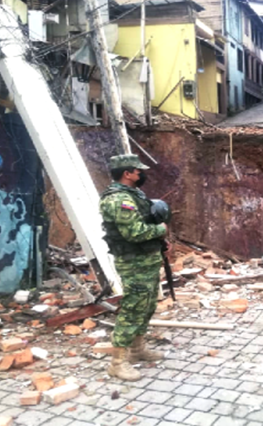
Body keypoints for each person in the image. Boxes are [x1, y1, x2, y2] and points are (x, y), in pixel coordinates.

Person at [99, 154, 168, 381]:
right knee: (132, 308)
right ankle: (117, 363)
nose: (142, 174)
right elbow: (135, 232)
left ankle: (138, 350)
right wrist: (161, 230)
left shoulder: (133, 195)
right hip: (133, 263)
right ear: (127, 174)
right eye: (138, 171)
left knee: (146, 306)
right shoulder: (119, 200)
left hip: (146, 259)